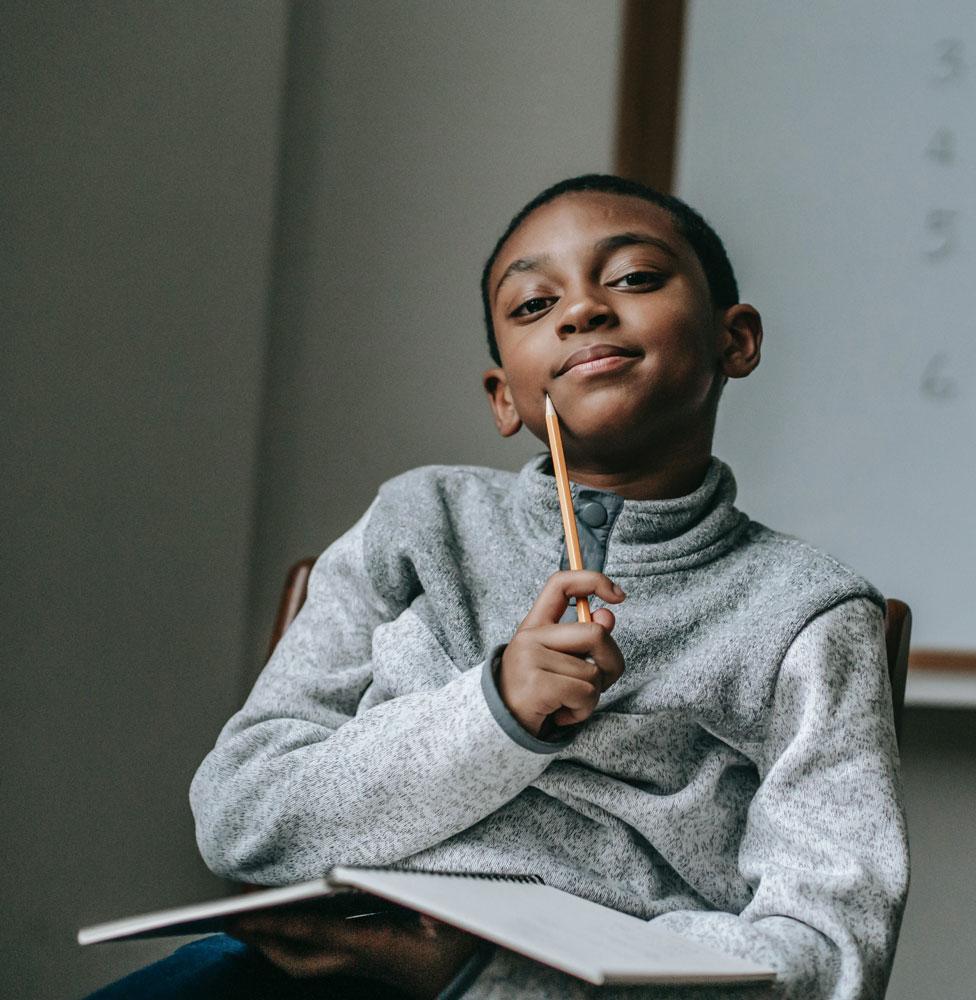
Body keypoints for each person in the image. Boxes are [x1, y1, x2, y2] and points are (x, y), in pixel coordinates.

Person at [85, 174, 908, 999]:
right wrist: (495, 714)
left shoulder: (806, 610)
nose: (581, 311)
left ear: (737, 340)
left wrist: (489, 978)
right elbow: (240, 817)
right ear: (504, 397)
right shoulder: (418, 522)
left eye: (632, 279)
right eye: (532, 306)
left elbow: (827, 952)